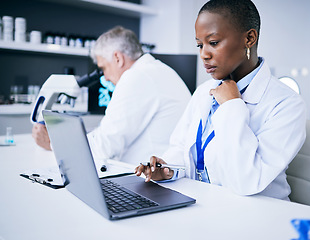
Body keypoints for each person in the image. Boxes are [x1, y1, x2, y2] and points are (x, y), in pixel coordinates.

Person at [135, 0, 306, 200]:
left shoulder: (287, 104)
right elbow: (181, 148)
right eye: (199, 45)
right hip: (205, 204)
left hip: (256, 216)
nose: (204, 54)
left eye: (213, 43)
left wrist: (232, 105)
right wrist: (168, 169)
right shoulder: (204, 91)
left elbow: (247, 181)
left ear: (249, 38)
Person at [32, 26, 191, 165]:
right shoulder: (157, 70)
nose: (105, 78)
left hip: (152, 183)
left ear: (117, 58)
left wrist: (53, 143)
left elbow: (104, 146)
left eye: (104, 68)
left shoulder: (137, 76)